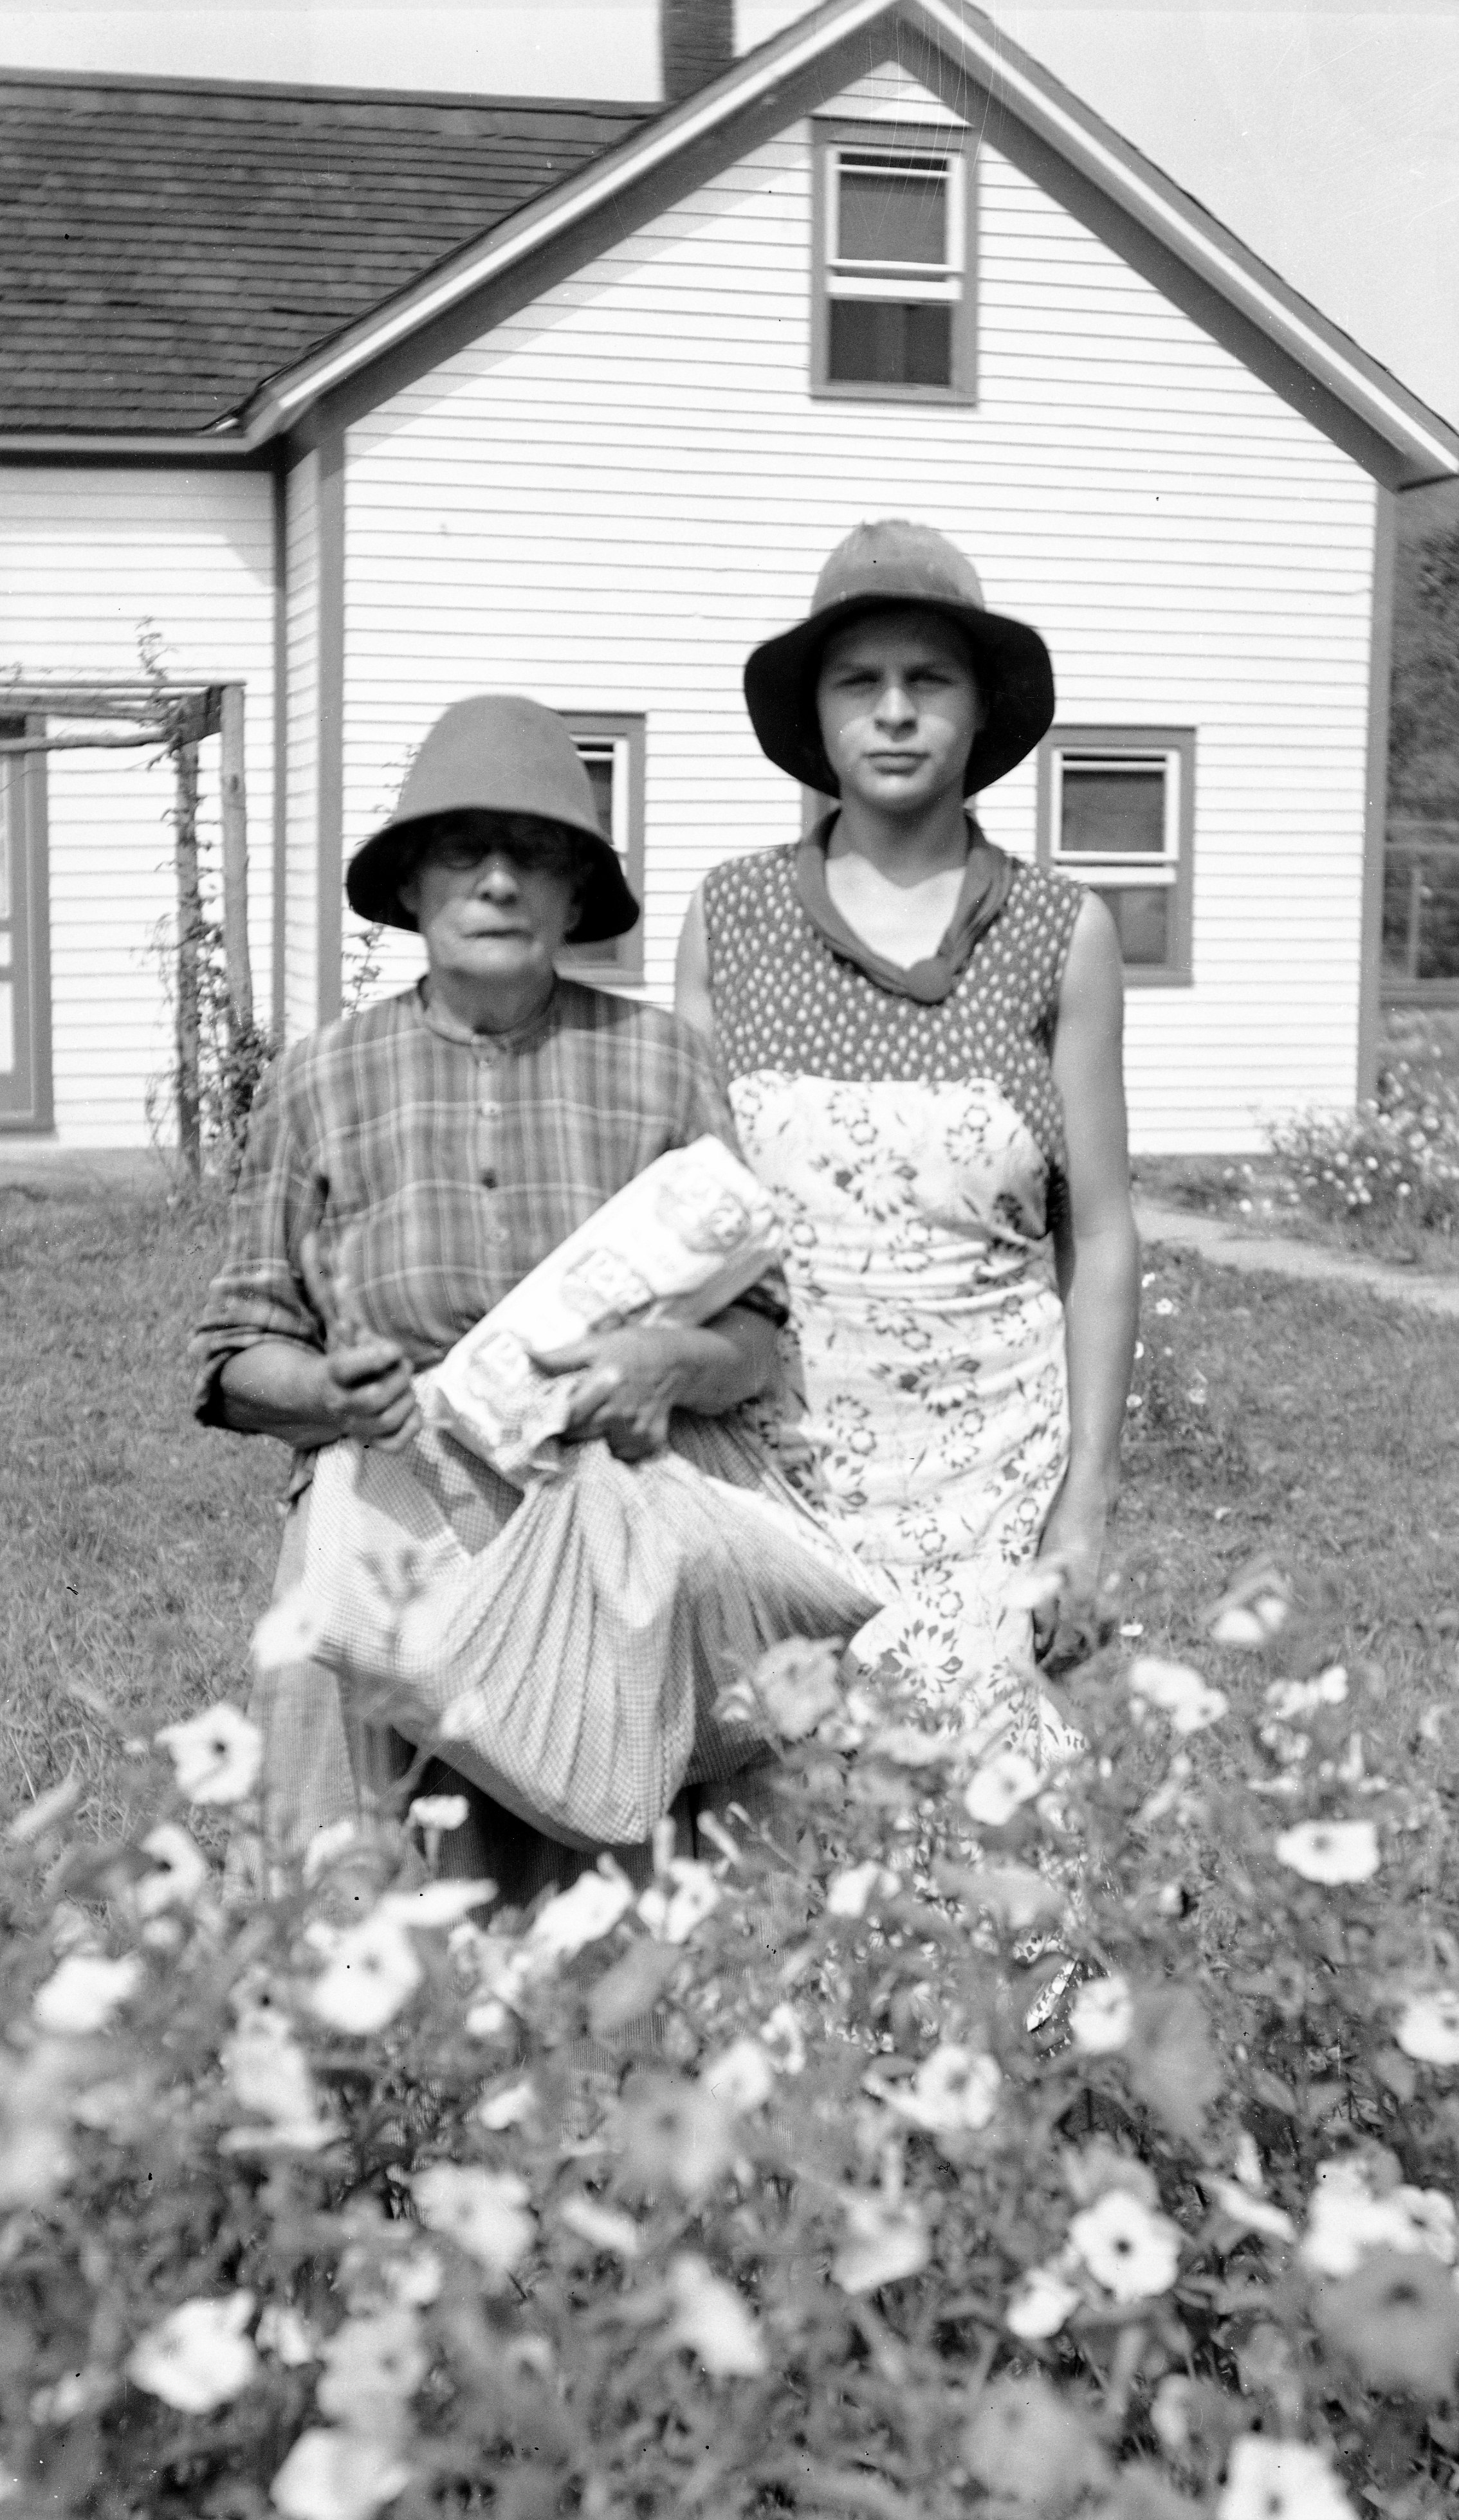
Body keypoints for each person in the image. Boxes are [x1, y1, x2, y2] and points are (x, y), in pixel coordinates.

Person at [195, 694, 785, 1895]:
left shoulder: (665, 1060)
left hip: (615, 1500)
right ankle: (361, 2064)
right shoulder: (322, 1077)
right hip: (392, 1502)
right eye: (465, 851)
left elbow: (761, 1331)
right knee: (354, 1880)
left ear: (578, 897)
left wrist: (668, 1361)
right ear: (413, 886)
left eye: (538, 856)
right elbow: (237, 1349)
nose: (500, 883)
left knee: (628, 1868)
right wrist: (328, 1390)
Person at [675, 521, 1139, 1752]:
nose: (893, 712)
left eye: (927, 680)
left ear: (979, 710)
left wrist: (1082, 1508)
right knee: (777, 1811)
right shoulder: (731, 915)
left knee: (981, 1838)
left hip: (991, 1472)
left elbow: (1100, 1231)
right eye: (857, 682)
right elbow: (688, 1203)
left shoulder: (1059, 930)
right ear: (817, 716)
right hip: (772, 1459)